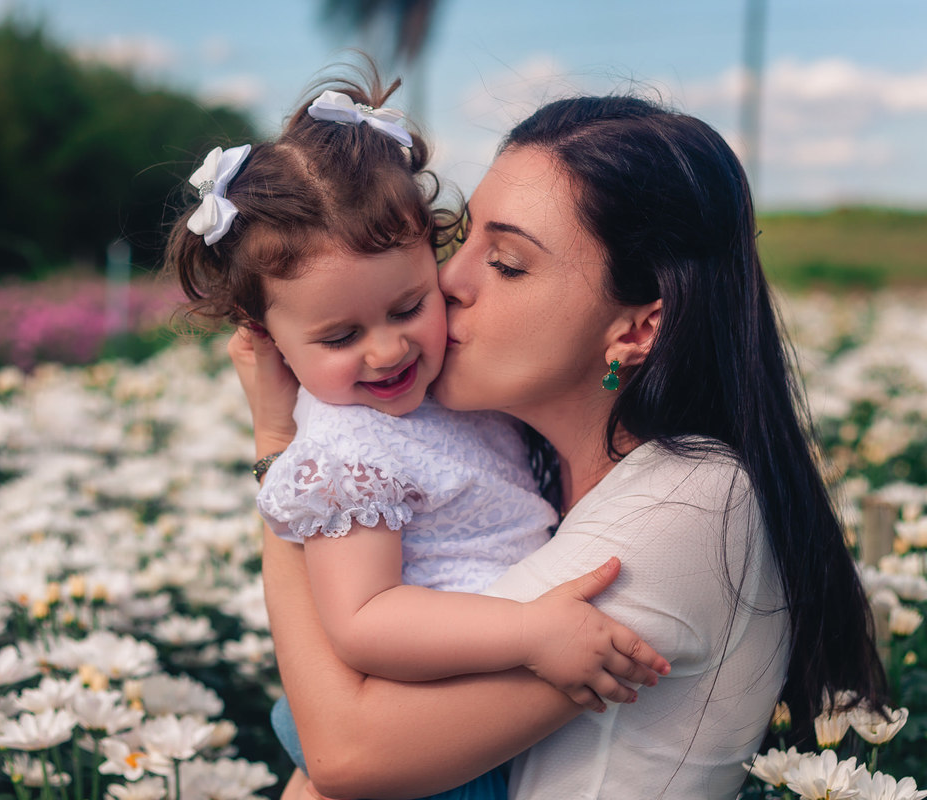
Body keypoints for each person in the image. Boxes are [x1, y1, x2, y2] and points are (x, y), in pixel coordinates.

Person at [229, 93, 887, 799]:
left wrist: (278, 443)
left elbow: (345, 753)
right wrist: (287, 449)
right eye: (463, 241)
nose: (449, 281)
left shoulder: (687, 503)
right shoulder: (535, 461)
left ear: (636, 330)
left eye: (507, 262)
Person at [166, 74, 671, 800]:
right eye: (340, 336)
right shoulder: (347, 450)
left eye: (409, 306)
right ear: (270, 341)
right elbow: (365, 620)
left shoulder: (451, 391)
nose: (386, 352)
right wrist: (530, 636)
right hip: (418, 730)